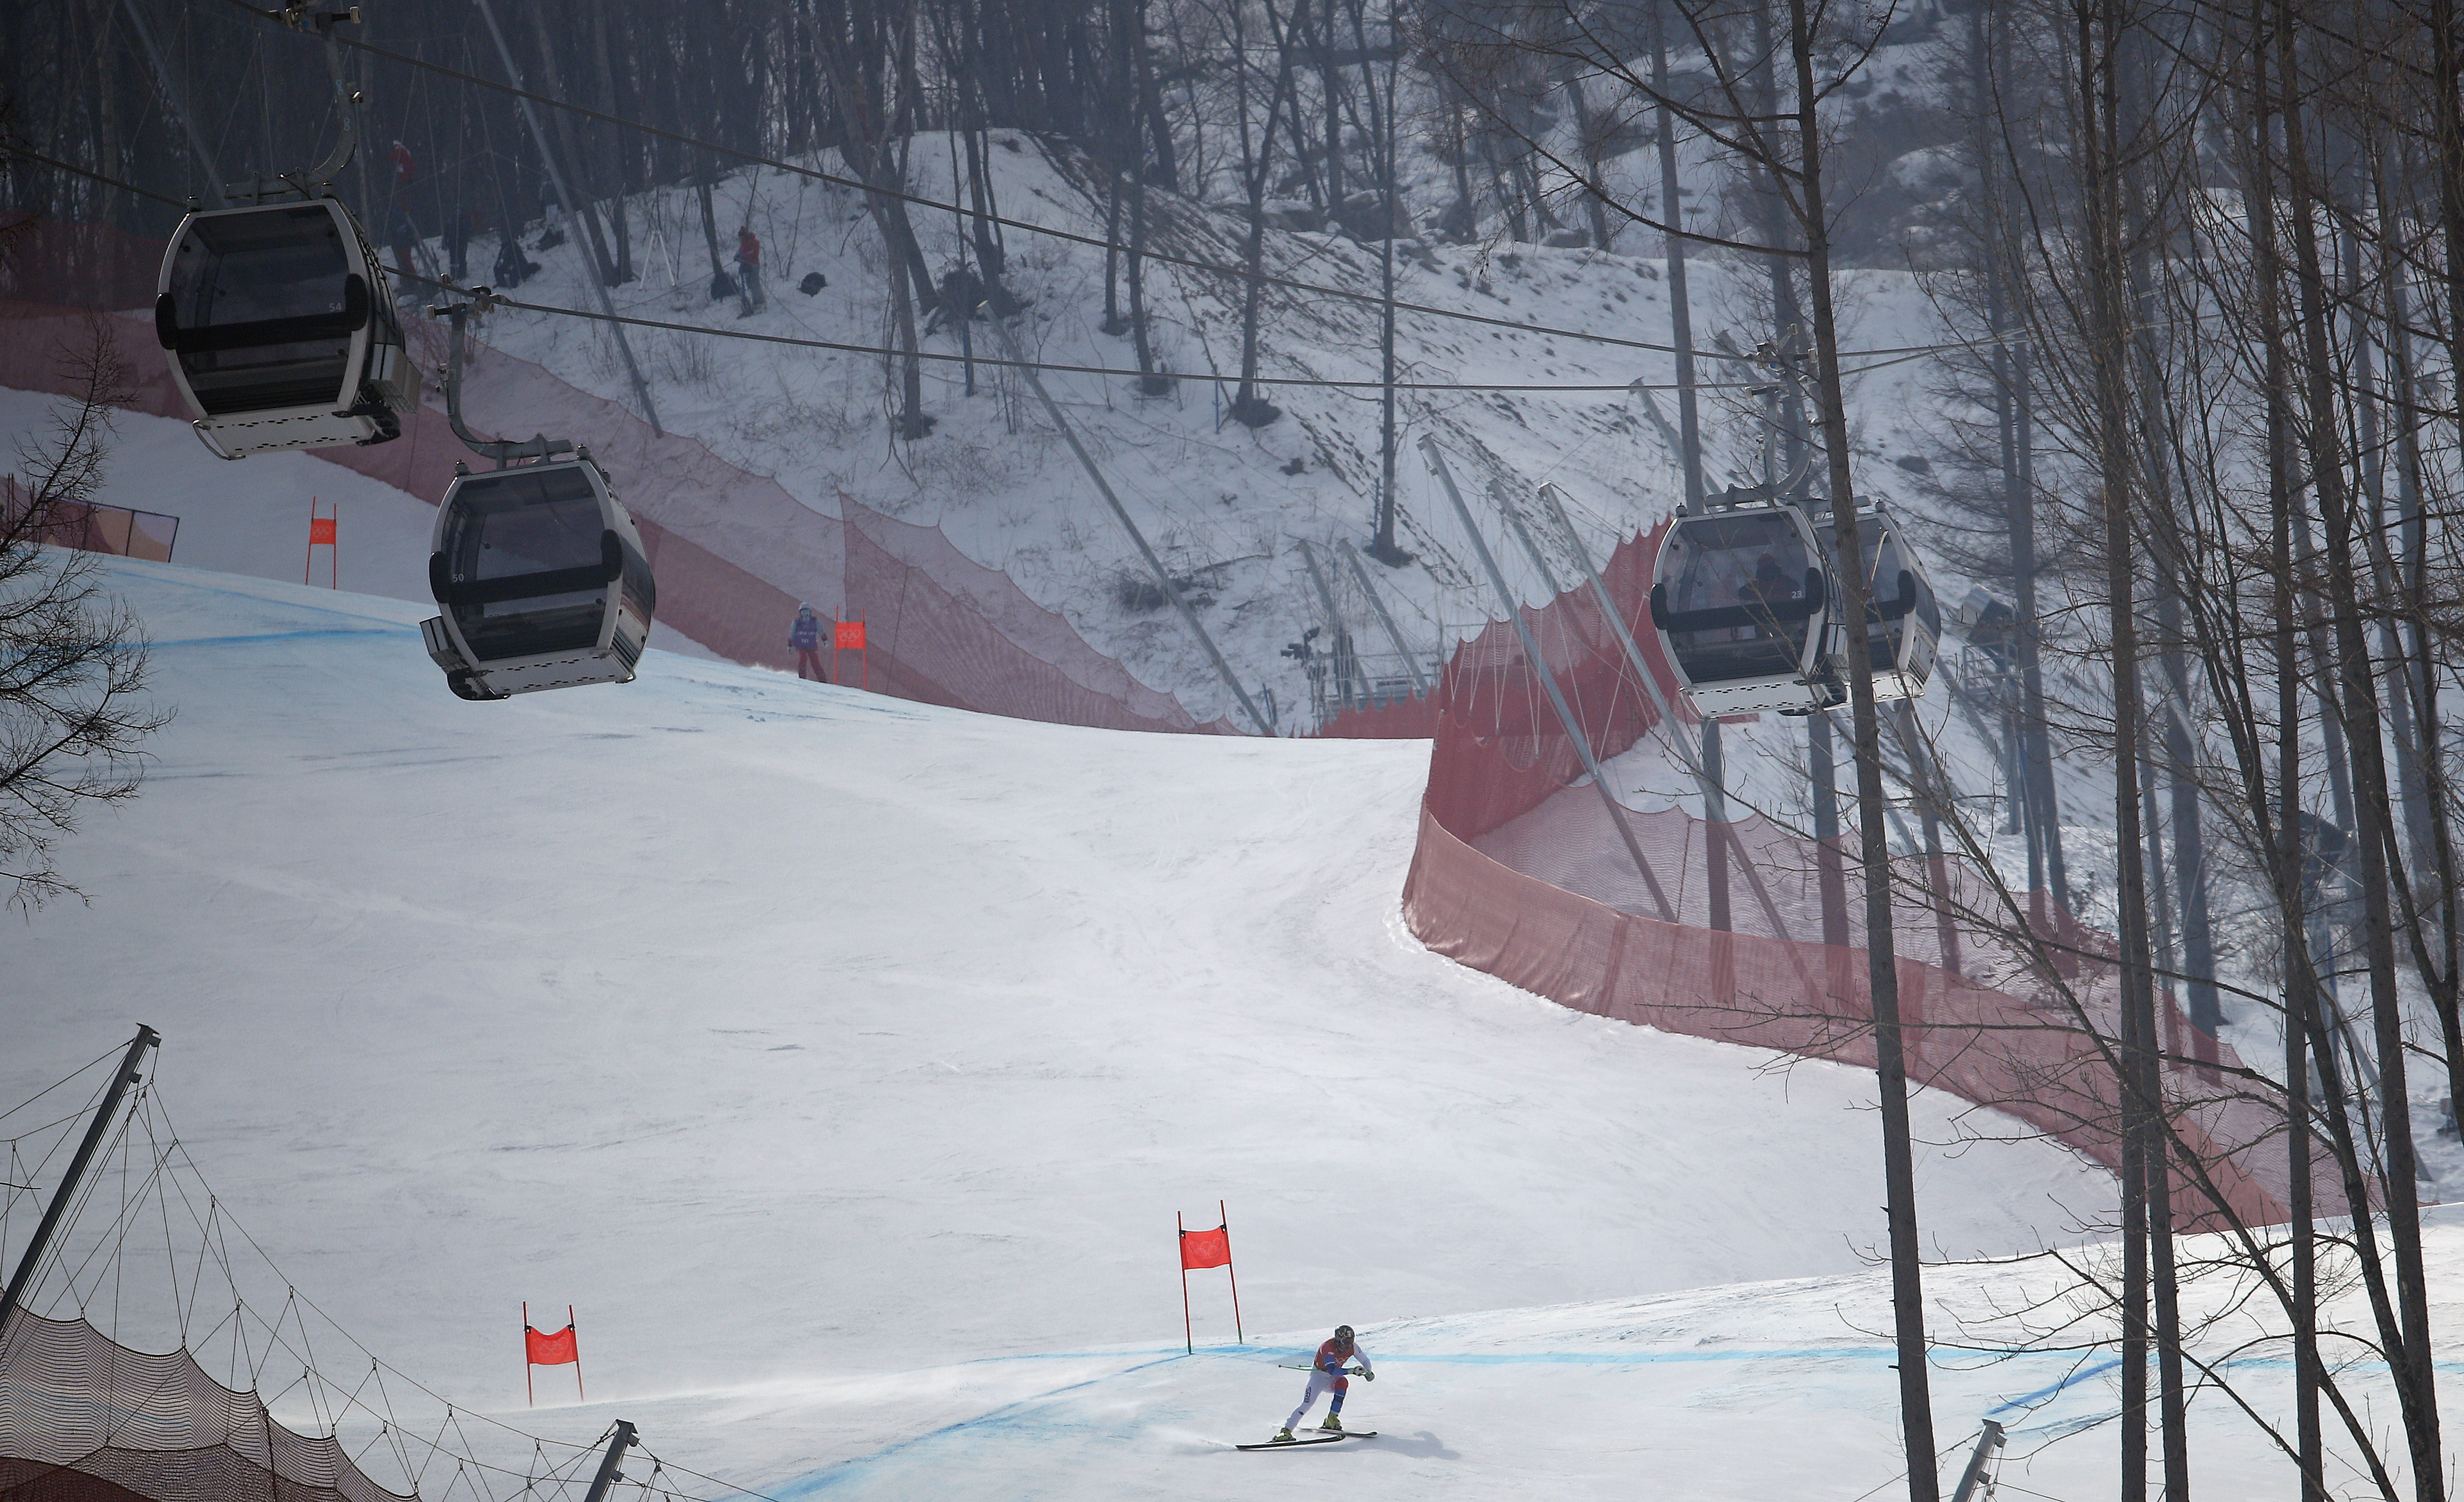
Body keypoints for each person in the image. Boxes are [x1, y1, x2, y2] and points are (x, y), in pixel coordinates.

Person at [1276, 1324, 1373, 1441]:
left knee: (1343, 1382)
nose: (1348, 1346)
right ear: (1338, 1340)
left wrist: (1369, 1371)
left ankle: (1332, 1418)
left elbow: (1365, 1360)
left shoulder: (1353, 1347)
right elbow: (1332, 1369)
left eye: (1351, 1342)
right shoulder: (1328, 1347)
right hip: (1319, 1377)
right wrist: (1352, 1371)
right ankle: (1286, 1431)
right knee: (1307, 1404)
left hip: (1333, 1378)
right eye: (1345, 1342)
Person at [789, 604, 827, 682]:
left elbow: (821, 630)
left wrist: (825, 640)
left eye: (807, 612)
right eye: (803, 612)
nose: (805, 614)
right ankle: (802, 677)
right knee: (803, 658)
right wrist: (790, 644)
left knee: (815, 660)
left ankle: (822, 679)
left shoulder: (815, 621)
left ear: (810, 612)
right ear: (800, 613)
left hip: (811, 645)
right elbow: (792, 633)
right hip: (801, 644)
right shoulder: (797, 622)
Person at [735, 225, 765, 317]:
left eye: (742, 236)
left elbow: (753, 253)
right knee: (750, 285)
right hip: (746, 266)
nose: (740, 239)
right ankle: (755, 302)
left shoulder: (753, 242)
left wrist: (743, 257)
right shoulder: (743, 244)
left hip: (754, 265)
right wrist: (737, 256)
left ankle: (760, 303)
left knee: (755, 283)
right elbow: (740, 252)